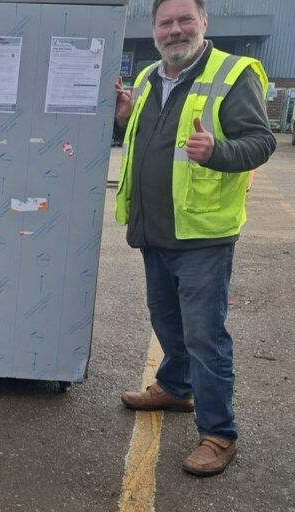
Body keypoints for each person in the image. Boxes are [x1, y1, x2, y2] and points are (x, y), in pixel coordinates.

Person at [114, 0, 276, 476]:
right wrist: (125, 118)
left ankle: (219, 433)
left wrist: (218, 150)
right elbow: (145, 140)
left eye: (186, 19)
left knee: (205, 335)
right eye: (166, 22)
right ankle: (175, 388)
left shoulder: (233, 73)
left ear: (204, 22)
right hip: (154, 227)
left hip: (203, 233)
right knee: (165, 319)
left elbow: (262, 141)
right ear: (154, 30)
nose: (175, 30)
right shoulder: (146, 79)